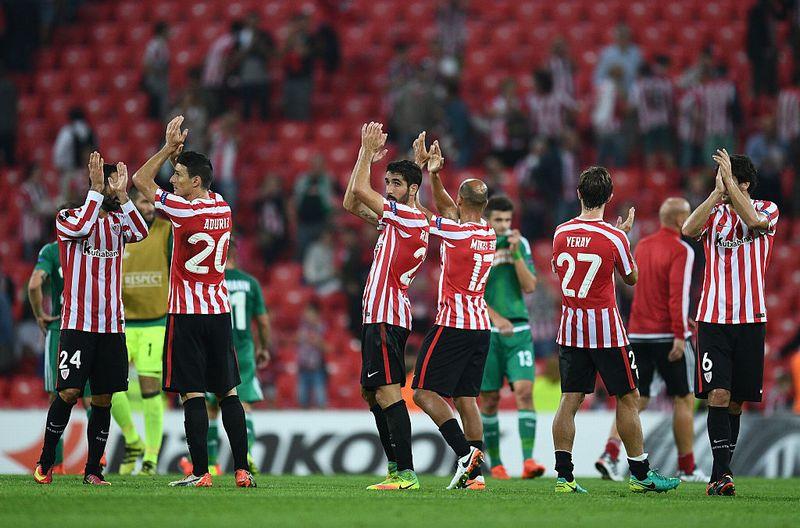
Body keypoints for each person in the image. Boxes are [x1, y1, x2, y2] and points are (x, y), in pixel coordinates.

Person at [131, 116, 255, 488]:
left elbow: (140, 180)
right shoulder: (223, 208)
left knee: (192, 394)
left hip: (186, 313)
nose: (172, 179)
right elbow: (185, 184)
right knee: (228, 393)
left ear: (196, 182)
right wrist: (179, 158)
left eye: (179, 175)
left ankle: (201, 473)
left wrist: (167, 149)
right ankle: (242, 470)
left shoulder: (183, 211)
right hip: (218, 311)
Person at [551, 166, 680, 494]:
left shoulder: (560, 232)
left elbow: (559, 269)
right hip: (606, 331)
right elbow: (631, 278)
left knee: (569, 399)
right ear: (610, 196)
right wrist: (622, 238)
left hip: (571, 328)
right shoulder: (614, 237)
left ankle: (564, 477)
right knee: (628, 396)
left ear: (578, 194)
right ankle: (640, 473)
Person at [33, 152, 149, 486]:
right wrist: (97, 192)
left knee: (103, 398)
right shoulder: (68, 217)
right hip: (77, 325)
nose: (114, 187)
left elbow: (141, 231)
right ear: (95, 184)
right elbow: (84, 226)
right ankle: (45, 462)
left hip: (111, 326)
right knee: (69, 392)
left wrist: (124, 195)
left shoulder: (118, 222)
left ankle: (93, 471)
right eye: (111, 183)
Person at [681, 149, 779, 496]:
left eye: (726, 178)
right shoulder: (714, 214)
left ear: (745, 183)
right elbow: (688, 228)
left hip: (751, 319)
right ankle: (721, 474)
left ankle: (720, 473)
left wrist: (730, 187)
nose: (720, 184)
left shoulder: (767, 209)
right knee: (718, 394)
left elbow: (753, 221)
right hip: (713, 319)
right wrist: (716, 193)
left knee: (736, 401)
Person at [342, 122, 429, 491]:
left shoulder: (407, 216)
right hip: (378, 314)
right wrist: (365, 159)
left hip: (386, 313)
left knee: (389, 391)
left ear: (412, 190)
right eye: (388, 182)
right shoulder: (398, 220)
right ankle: (395, 466)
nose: (389, 189)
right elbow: (350, 202)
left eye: (396, 184)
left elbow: (361, 190)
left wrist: (365, 152)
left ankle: (405, 472)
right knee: (372, 392)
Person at [595, 197, 707, 483]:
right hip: (668, 335)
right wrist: (680, 334)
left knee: (635, 399)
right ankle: (687, 467)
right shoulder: (682, 249)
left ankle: (610, 453)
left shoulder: (643, 246)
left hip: (638, 333)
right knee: (684, 397)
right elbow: (677, 295)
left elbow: (637, 287)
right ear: (681, 220)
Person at [410, 134, 495, 491]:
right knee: (466, 399)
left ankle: (464, 454)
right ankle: (475, 476)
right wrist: (434, 175)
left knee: (422, 392)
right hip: (481, 327)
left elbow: (421, 213)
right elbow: (447, 211)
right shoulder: (487, 232)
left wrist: (418, 175)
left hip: (453, 324)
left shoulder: (456, 233)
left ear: (462, 202)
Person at [478, 196, 545, 480]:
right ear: (488, 219)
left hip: (518, 331)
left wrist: (516, 253)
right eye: (498, 220)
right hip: (489, 331)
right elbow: (470, 290)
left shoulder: (521, 244)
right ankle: (496, 464)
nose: (504, 225)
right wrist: (495, 317)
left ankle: (528, 461)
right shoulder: (479, 243)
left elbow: (530, 286)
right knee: (489, 399)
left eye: (507, 220)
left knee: (525, 393)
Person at [114, 185, 172, 476]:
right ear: (132, 205)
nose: (148, 207)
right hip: (122, 322)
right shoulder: (120, 231)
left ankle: (150, 456)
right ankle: (132, 440)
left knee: (150, 387)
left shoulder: (165, 230)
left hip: (155, 322)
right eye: (142, 203)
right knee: (108, 385)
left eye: (150, 203)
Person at [206, 241, 270, 474]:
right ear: (235, 255)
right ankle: (247, 453)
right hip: (243, 352)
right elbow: (263, 321)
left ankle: (211, 463)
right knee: (243, 404)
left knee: (211, 407)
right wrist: (263, 347)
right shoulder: (250, 282)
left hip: (216, 349)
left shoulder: (211, 281)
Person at [28, 239, 65, 473]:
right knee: (95, 398)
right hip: (90, 327)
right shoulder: (95, 244)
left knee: (57, 397)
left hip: (59, 328)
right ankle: (96, 462)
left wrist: (40, 314)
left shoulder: (51, 250)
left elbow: (34, 285)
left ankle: (55, 464)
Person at [142, 21, 170, 119]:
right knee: (158, 104)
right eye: (168, 30)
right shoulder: (154, 45)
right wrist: (156, 74)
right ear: (163, 31)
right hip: (155, 79)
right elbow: (147, 64)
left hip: (161, 78)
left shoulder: (163, 45)